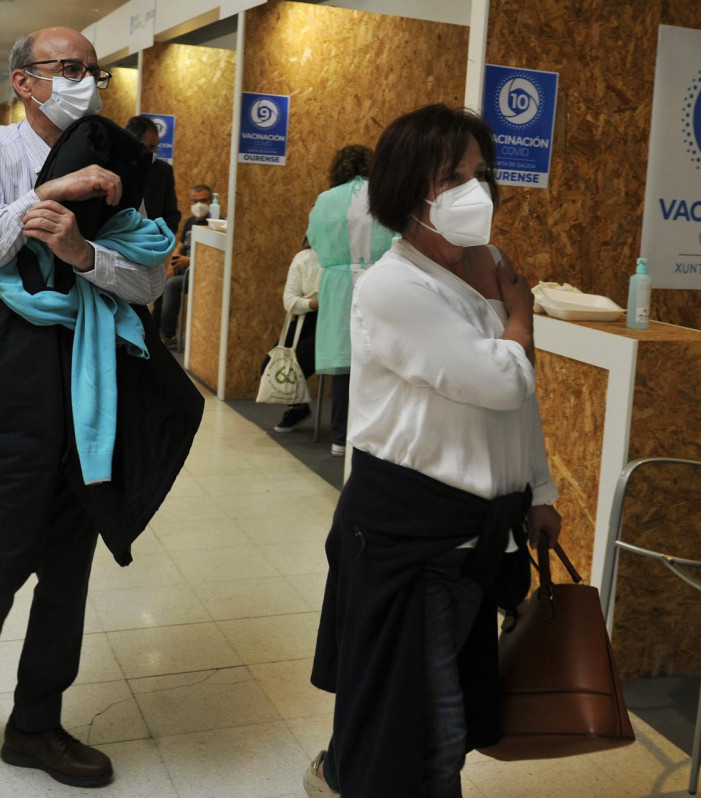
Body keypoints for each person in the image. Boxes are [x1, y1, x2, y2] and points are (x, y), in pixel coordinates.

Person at [0, 26, 164, 788]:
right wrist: (44, 197)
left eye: (94, 71)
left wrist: (86, 256)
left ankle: (36, 724)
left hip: (89, 382)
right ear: (24, 81)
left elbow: (147, 280)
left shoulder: (119, 164)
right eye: (68, 68)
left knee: (69, 563)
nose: (86, 82)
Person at [302, 104, 562, 798]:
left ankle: (341, 769)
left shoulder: (485, 268)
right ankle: (346, 774)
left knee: (429, 711)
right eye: (452, 178)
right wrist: (521, 314)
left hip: (476, 537)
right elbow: (503, 379)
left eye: (480, 174)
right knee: (430, 731)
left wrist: (538, 492)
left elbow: (518, 404)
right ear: (407, 189)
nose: (474, 191)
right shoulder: (394, 286)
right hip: (409, 537)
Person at [306, 145, 392, 457]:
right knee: (378, 358)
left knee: (344, 362)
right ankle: (375, 436)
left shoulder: (326, 200)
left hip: (338, 284)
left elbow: (314, 239)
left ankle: (340, 437)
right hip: (380, 281)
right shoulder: (384, 195)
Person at [272, 242, 321, 432]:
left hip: (333, 323)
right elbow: (289, 300)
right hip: (306, 318)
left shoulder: (344, 260)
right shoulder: (303, 258)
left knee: (298, 361)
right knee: (273, 364)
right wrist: (314, 304)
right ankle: (298, 407)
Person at [157, 183, 212, 345]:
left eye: (203, 200)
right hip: (183, 270)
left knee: (172, 285)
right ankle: (155, 328)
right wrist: (172, 265)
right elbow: (180, 247)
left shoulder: (217, 224)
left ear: (211, 201)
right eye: (195, 201)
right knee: (159, 279)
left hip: (201, 274)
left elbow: (214, 261)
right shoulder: (190, 222)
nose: (199, 205)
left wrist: (189, 261)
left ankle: (168, 336)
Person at [125, 114, 180, 234]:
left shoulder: (163, 171)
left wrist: (161, 237)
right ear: (133, 143)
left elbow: (172, 214)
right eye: (150, 147)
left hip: (154, 240)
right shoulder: (117, 169)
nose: (154, 152)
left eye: (156, 146)